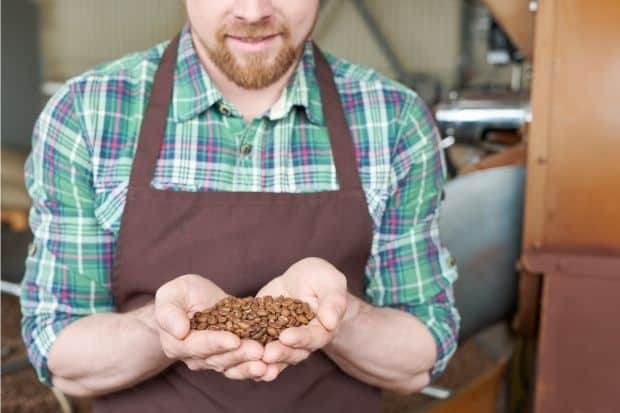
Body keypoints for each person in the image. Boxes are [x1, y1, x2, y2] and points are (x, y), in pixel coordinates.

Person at [21, 1, 459, 412]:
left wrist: (338, 317)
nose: (253, 12)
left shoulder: (393, 119)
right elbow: (62, 356)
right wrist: (162, 327)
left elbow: (418, 361)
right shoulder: (88, 113)